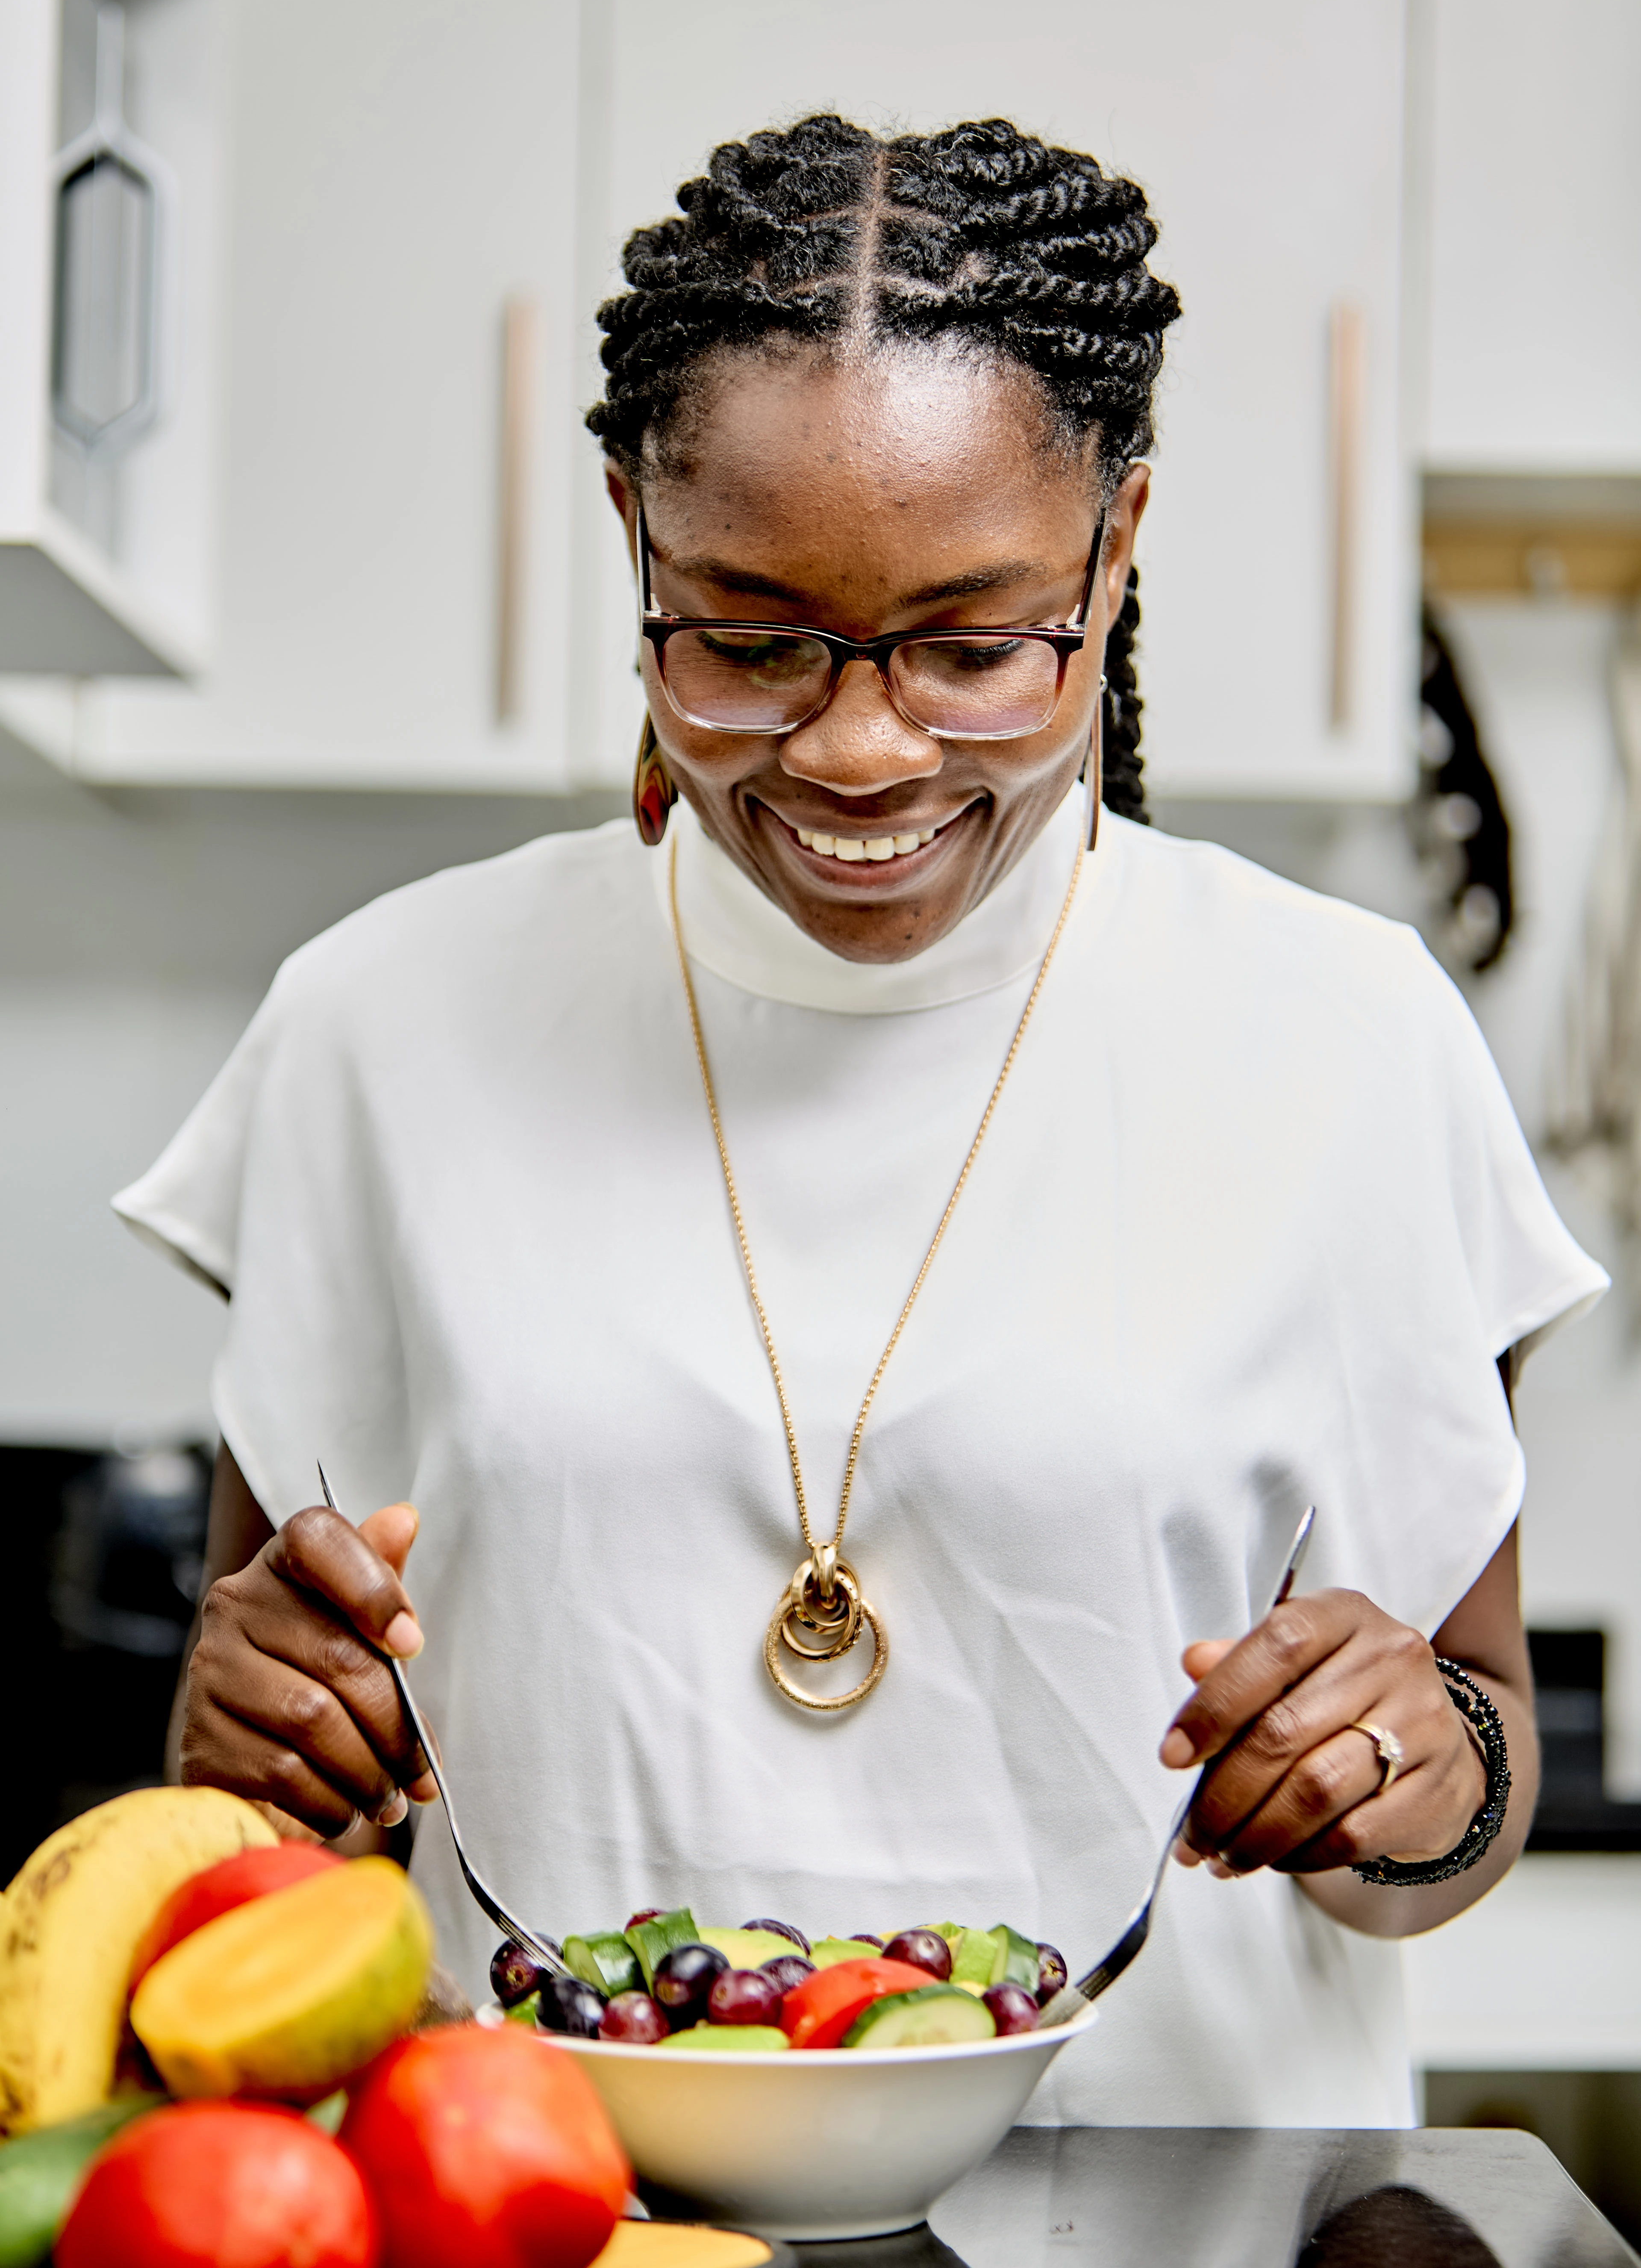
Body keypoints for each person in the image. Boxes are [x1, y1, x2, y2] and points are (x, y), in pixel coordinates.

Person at [121, 115, 1604, 2128]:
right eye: (744, 637)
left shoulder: (1346, 1041)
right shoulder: (381, 1024)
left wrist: (1414, 1775)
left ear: (1120, 543)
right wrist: (241, 1740)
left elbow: (1469, 1776)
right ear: (632, 532)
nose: (857, 745)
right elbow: (280, 1756)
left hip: (1180, 2227)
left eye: (975, 646)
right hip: (561, 2221)